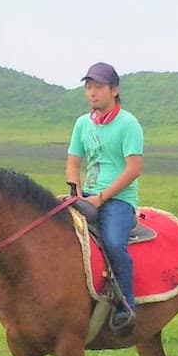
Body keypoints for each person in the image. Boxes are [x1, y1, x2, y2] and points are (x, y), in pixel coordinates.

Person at [66, 61, 145, 334]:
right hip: (86, 195)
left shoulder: (129, 124)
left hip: (119, 200)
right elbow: (73, 163)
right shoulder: (81, 124)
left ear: (114, 90)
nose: (92, 92)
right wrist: (75, 193)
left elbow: (134, 169)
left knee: (113, 242)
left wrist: (100, 199)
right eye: (88, 87)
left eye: (98, 87)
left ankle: (127, 305)